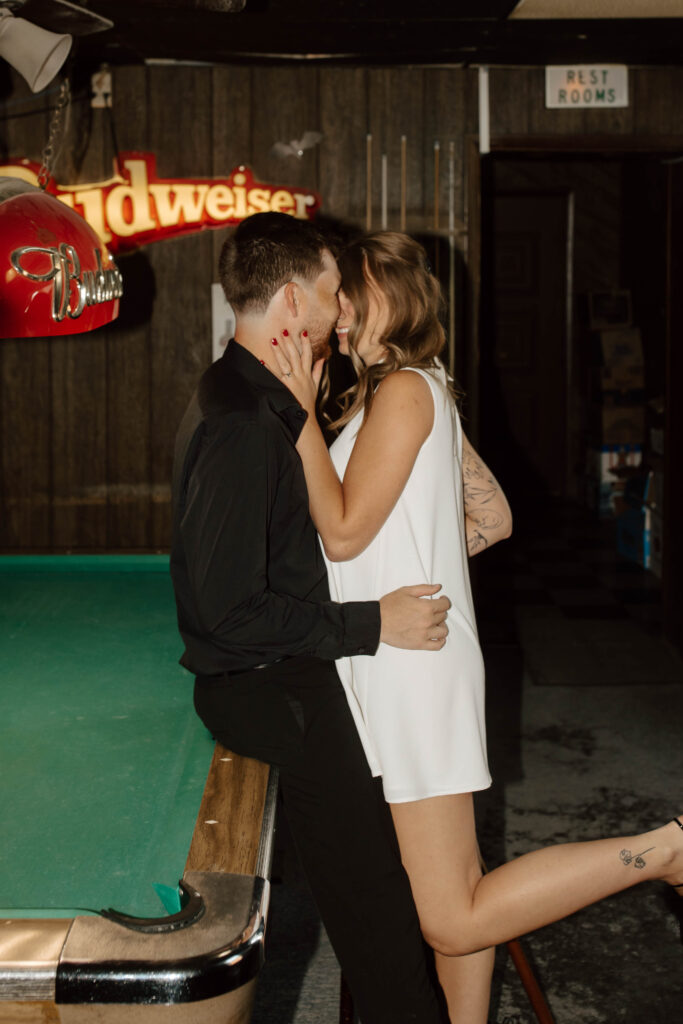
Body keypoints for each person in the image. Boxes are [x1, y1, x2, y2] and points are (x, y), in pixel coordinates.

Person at [269, 229, 683, 1024]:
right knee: (456, 889)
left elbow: (346, 532)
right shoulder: (419, 388)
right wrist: (405, 562)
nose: (341, 316)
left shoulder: (402, 393)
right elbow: (490, 518)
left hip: (410, 674)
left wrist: (296, 417)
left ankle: (661, 850)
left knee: (448, 914)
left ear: (394, 294)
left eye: (352, 296)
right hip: (408, 655)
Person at [170, 212, 453, 1024]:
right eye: (334, 294)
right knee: (379, 918)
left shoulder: (250, 394)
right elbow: (229, 614)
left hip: (282, 674)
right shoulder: (239, 421)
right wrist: (371, 625)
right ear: (294, 297)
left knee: (375, 904)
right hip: (272, 686)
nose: (343, 312)